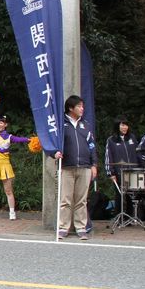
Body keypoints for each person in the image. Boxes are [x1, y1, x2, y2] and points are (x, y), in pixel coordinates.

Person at [51, 95, 98, 240]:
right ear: (71, 108)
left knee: (81, 200)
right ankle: (63, 227)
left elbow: (92, 146)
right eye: (79, 106)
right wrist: (54, 153)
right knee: (66, 199)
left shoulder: (86, 125)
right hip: (66, 167)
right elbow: (52, 143)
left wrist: (94, 164)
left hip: (85, 167)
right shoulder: (60, 124)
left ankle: (81, 227)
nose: (82, 109)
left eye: (83, 106)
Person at [104, 115, 140, 217]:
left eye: (126, 125)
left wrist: (143, 167)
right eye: (122, 125)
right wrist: (110, 172)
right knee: (119, 196)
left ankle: (130, 217)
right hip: (119, 172)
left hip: (132, 171)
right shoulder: (111, 140)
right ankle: (119, 217)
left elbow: (138, 153)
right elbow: (108, 157)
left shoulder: (132, 138)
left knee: (130, 196)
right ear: (117, 126)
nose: (125, 127)